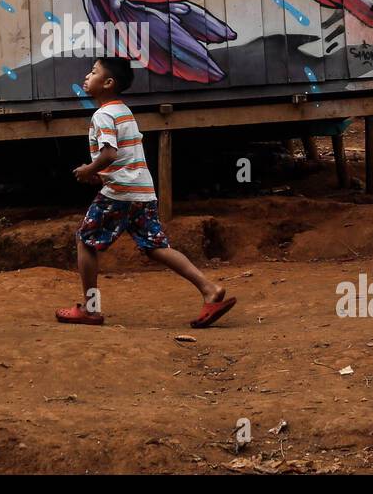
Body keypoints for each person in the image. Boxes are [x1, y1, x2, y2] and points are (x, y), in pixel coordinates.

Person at [56, 57, 237, 329]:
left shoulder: (103, 114)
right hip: (142, 192)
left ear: (107, 83)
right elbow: (123, 156)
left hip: (119, 193)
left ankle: (91, 310)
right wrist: (100, 173)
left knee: (85, 241)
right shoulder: (124, 111)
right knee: (156, 247)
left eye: (93, 72)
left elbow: (109, 153)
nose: (86, 76)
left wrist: (88, 169)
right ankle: (209, 289)